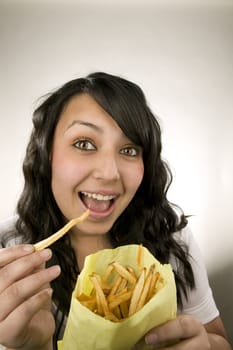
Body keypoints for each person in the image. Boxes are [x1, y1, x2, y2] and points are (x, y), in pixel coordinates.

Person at [0, 72, 231, 350]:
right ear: (46, 154)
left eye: (130, 150)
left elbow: (220, 340)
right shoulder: (6, 254)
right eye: (84, 144)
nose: (109, 173)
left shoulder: (172, 240)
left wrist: (206, 344)